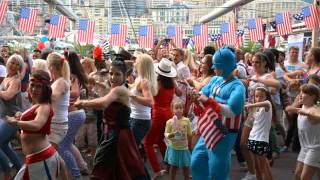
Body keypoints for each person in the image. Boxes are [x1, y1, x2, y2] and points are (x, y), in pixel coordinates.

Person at [74, 59, 146, 179]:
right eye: (111, 73)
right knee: (115, 171)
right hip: (112, 135)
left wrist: (83, 103)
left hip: (117, 137)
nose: (113, 77)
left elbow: (104, 103)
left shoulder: (119, 90)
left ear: (125, 76)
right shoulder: (116, 88)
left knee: (104, 169)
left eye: (117, 74)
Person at [190, 47, 246, 180]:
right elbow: (203, 94)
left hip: (224, 132)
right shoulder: (216, 79)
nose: (214, 68)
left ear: (225, 66)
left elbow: (232, 111)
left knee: (217, 170)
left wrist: (209, 101)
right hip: (209, 127)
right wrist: (197, 97)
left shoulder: (238, 87)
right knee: (197, 161)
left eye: (217, 66)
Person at [5, 70, 66, 180]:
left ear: (45, 89)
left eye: (39, 87)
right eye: (32, 85)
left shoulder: (44, 106)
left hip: (41, 159)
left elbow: (37, 124)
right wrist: (21, 115)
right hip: (34, 159)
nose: (34, 89)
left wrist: (17, 122)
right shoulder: (37, 104)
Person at [143, 58, 181, 179]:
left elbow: (152, 95)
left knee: (148, 142)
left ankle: (156, 169)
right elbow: (179, 93)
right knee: (160, 140)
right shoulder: (171, 82)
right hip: (168, 113)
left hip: (158, 113)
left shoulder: (158, 82)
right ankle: (169, 163)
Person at [286, 84, 320, 180]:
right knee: (297, 174)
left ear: (313, 96)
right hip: (305, 147)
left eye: (304, 93)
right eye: (300, 92)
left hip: (315, 148)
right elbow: (288, 109)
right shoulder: (302, 107)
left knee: (304, 177)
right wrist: (297, 104)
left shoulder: (315, 109)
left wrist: (306, 113)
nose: (300, 94)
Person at [0, 54, 24, 180]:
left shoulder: (16, 80)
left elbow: (8, 96)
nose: (13, 65)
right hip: (4, 117)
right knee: (3, 146)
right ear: (7, 62)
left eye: (17, 64)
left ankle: (7, 172)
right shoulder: (7, 78)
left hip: (11, 118)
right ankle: (21, 171)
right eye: (12, 62)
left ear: (19, 67)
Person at [244, 87, 274, 180]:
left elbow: (264, 103)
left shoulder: (267, 105)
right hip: (252, 139)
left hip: (261, 140)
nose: (258, 98)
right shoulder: (256, 109)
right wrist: (249, 109)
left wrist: (250, 105)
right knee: (257, 168)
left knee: (263, 168)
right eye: (256, 96)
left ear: (266, 97)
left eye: (261, 96)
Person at [164, 99, 192, 180]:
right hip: (174, 148)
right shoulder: (169, 122)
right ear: (172, 109)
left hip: (184, 148)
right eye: (176, 108)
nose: (179, 109)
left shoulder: (187, 121)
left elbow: (190, 134)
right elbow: (166, 134)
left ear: (183, 109)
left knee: (186, 168)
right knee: (173, 167)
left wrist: (189, 146)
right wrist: (172, 135)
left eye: (181, 108)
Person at [47, 52, 70, 148]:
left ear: (51, 67)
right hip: (56, 122)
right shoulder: (59, 81)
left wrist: (38, 93)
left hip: (56, 124)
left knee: (51, 155)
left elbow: (53, 97)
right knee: (53, 155)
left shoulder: (61, 82)